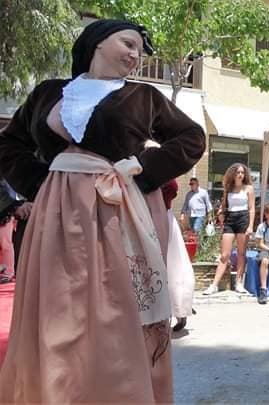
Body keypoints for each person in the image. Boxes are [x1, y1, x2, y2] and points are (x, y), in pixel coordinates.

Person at [0, 19, 205, 402]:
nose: (134, 55)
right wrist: (40, 184)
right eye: (127, 43)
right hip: (57, 214)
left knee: (116, 307)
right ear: (96, 42)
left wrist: (143, 169)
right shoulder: (48, 93)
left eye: (139, 52)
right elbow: (9, 144)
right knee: (60, 309)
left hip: (118, 210)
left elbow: (192, 138)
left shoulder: (143, 97)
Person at [203, 163, 255, 295]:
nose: (240, 175)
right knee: (224, 255)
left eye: (242, 172)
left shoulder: (248, 188)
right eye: (238, 172)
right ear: (233, 174)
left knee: (241, 253)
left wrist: (250, 226)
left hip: (243, 217)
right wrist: (220, 211)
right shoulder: (228, 188)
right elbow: (224, 205)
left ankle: (239, 283)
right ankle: (214, 285)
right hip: (230, 219)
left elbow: (251, 208)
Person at [161, 179, 196, 333]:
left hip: (162, 218)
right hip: (144, 217)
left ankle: (180, 310)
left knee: (173, 266)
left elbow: (172, 187)